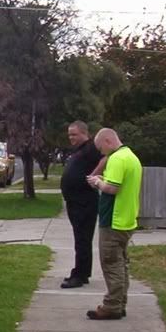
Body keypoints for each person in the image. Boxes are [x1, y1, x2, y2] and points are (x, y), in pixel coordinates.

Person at [85, 128, 143, 320]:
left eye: (101, 147)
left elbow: (113, 188)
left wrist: (97, 183)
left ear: (108, 141)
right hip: (127, 219)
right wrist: (103, 179)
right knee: (122, 264)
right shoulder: (131, 157)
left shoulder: (117, 159)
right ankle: (120, 302)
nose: (101, 152)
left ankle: (111, 306)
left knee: (111, 264)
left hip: (113, 221)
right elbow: (119, 183)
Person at [59, 121, 104, 289]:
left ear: (84, 133)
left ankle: (79, 275)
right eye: (69, 134)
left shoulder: (91, 147)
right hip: (74, 201)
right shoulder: (80, 150)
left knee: (82, 239)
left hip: (84, 202)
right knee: (80, 238)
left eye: (74, 134)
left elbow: (107, 157)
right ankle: (83, 272)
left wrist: (94, 174)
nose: (71, 138)